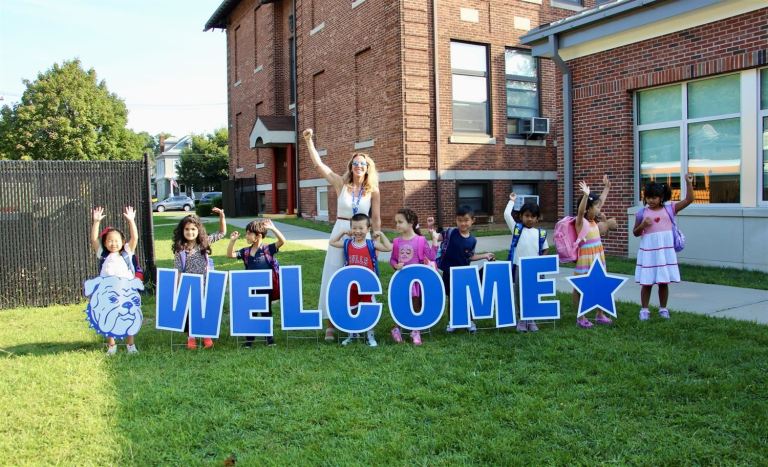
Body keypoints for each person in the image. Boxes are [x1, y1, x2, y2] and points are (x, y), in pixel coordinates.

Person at [302, 128, 381, 342]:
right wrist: (309, 141)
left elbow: (376, 218)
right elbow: (320, 166)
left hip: (362, 236)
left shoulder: (372, 190)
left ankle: (359, 319)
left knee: (361, 277)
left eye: (362, 164)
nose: (358, 167)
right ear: (351, 166)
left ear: (367, 168)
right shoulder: (341, 185)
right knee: (334, 275)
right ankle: (330, 324)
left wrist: (377, 235)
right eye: (355, 163)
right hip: (341, 231)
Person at [633, 174, 695, 320]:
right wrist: (643, 225)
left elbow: (689, 200)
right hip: (649, 252)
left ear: (661, 197)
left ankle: (663, 309)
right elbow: (635, 233)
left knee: (663, 282)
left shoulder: (670, 209)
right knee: (646, 282)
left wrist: (688, 183)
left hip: (664, 252)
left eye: (654, 197)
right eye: (648, 197)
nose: (651, 200)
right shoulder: (642, 213)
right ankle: (644, 310)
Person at [328, 213, 392, 347]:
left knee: (369, 309)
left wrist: (381, 234)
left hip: (367, 285)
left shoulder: (371, 244)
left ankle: (370, 336)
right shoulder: (347, 244)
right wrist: (342, 232)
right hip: (351, 286)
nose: (357, 231)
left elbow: (388, 247)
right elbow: (332, 242)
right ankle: (352, 334)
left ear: (368, 229)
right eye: (354, 228)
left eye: (361, 228)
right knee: (351, 309)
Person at [171, 208, 227, 349]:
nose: (190, 232)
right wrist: (178, 288)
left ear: (198, 230)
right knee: (191, 311)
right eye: (187, 229)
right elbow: (178, 271)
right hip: (188, 285)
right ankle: (191, 337)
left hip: (205, 283)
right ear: (182, 231)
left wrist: (221, 216)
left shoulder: (204, 243)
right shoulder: (180, 250)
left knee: (204, 310)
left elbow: (222, 233)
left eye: (193, 229)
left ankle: (206, 335)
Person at [90, 206, 141, 355]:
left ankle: (130, 345)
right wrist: (96, 222)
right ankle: (112, 346)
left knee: (129, 316)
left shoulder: (127, 253)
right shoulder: (103, 255)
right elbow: (93, 239)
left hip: (126, 292)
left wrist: (131, 221)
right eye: (110, 241)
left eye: (117, 240)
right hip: (108, 293)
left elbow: (135, 238)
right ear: (105, 243)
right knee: (109, 317)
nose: (113, 243)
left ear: (122, 241)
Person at [227, 219, 286, 346]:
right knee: (251, 313)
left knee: (266, 313)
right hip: (250, 289)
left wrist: (273, 228)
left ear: (258, 235)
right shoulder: (246, 252)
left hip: (266, 289)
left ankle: (269, 338)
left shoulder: (268, 249)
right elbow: (230, 254)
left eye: (249, 233)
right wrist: (232, 241)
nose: (246, 235)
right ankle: (249, 339)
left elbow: (282, 241)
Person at [437, 206, 496, 334]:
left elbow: (470, 256)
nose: (463, 223)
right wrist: (431, 230)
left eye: (466, 220)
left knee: (468, 297)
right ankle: (453, 321)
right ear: (456, 220)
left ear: (472, 220)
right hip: (449, 272)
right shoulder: (451, 232)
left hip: (464, 274)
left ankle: (469, 321)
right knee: (452, 298)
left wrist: (485, 255)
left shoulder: (472, 240)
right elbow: (436, 237)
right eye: (459, 220)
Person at [389, 208, 437, 345]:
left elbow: (432, 256)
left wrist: (434, 242)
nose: (397, 225)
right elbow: (392, 259)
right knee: (400, 304)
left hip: (416, 280)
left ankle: (415, 330)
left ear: (410, 223)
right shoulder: (397, 242)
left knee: (416, 303)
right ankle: (396, 328)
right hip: (402, 279)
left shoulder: (420, 240)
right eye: (396, 222)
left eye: (400, 222)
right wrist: (395, 265)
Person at [504, 193, 548, 332]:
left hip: (533, 269)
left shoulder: (540, 233)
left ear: (537, 218)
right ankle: (521, 319)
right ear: (521, 216)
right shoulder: (517, 229)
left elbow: (545, 249)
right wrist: (511, 201)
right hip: (519, 267)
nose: (529, 219)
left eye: (533, 216)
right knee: (519, 294)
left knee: (532, 293)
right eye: (527, 216)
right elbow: (506, 214)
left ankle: (531, 320)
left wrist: (540, 263)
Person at [572, 181, 613, 328]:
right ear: (589, 208)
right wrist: (585, 195)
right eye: (595, 206)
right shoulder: (581, 222)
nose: (598, 209)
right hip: (586, 259)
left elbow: (601, 201)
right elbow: (581, 211)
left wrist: (606, 188)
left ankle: (600, 314)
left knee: (601, 284)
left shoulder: (594, 221)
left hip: (598, 257)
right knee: (579, 287)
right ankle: (581, 317)